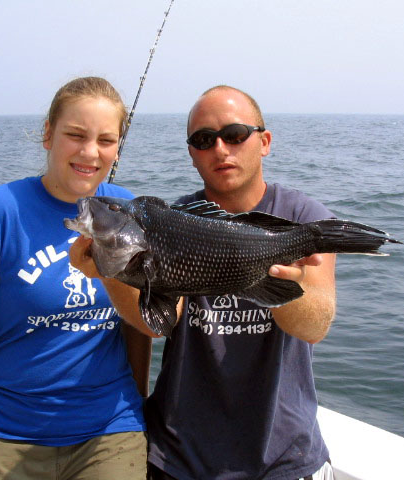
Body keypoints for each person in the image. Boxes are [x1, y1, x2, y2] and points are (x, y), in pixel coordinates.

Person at [0, 76, 153, 480]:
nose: (90, 152)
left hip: (109, 428)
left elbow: (139, 325)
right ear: (47, 135)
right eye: (75, 135)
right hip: (5, 428)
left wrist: (138, 404)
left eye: (106, 139)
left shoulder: (129, 211)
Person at [144, 86, 337, 480]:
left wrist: (283, 280)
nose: (219, 149)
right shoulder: (173, 221)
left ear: (264, 142)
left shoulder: (303, 218)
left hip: (282, 459)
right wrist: (115, 266)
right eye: (203, 140)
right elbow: (158, 321)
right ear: (191, 152)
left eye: (234, 134)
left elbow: (315, 327)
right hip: (179, 458)